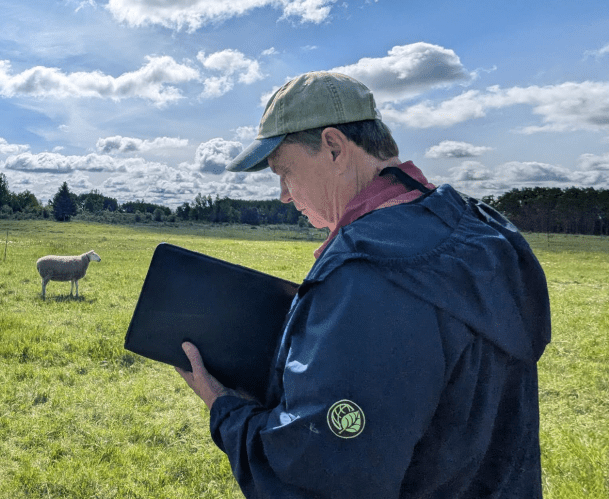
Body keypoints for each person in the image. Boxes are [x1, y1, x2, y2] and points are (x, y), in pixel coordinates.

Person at [175, 71, 551, 498]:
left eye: (285, 171)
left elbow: (314, 477)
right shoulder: (481, 229)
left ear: (334, 147)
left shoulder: (367, 274)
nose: (283, 193)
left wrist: (225, 410)